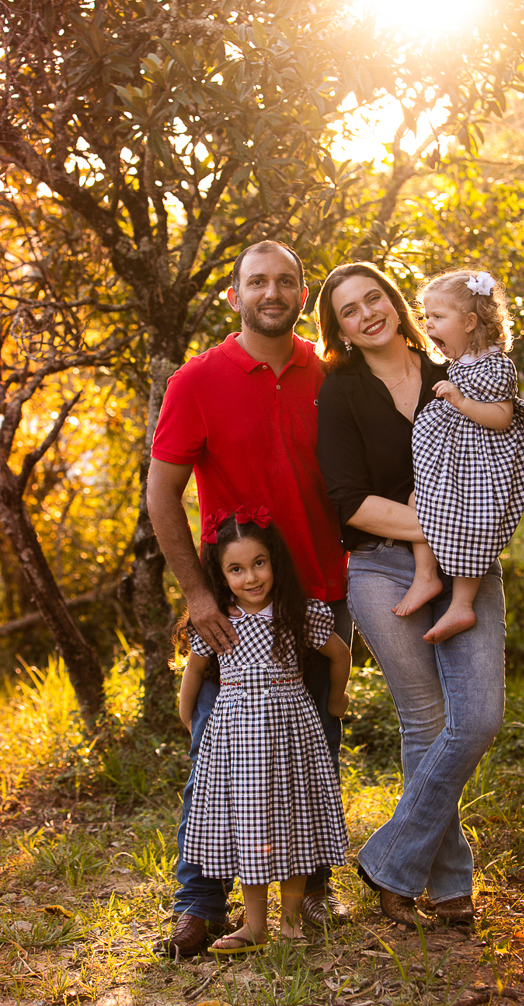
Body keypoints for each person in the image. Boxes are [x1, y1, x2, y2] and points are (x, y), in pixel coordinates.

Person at [147, 240, 350, 957]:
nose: (273, 290)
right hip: (235, 608)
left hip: (322, 591)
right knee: (213, 763)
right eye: (257, 280)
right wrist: (199, 595)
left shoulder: (329, 375)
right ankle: (198, 905)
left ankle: (309, 897)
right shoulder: (196, 381)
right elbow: (161, 494)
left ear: (303, 294)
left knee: (312, 756)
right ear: (233, 296)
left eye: (286, 281)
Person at [315, 261, 506, 927]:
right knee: (425, 723)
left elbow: (497, 458)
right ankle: (451, 890)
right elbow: (348, 503)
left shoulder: (449, 375)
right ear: (337, 328)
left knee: (477, 718)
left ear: (394, 303)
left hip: (467, 567)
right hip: (379, 570)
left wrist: (469, 526)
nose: (368, 314)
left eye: (375, 299)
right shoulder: (339, 392)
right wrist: (448, 519)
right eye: (349, 310)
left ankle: (390, 861)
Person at [178, 509, 350, 953]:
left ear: (274, 562)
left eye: (259, 563)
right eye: (236, 569)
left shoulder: (297, 613)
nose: (251, 577)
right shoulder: (218, 620)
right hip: (238, 739)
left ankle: (291, 922)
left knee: (294, 822)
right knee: (249, 826)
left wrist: (335, 701)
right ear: (221, 575)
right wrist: (189, 718)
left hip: (292, 731)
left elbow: (340, 654)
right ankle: (255, 926)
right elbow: (194, 673)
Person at [394, 268, 524, 644]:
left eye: (437, 317)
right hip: (456, 466)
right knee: (418, 501)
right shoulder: (462, 362)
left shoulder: (495, 365)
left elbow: (501, 418)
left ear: (470, 321)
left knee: (474, 523)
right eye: (426, 316)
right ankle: (426, 577)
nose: (428, 325)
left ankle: (462, 603)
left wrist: (459, 401)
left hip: (480, 470)